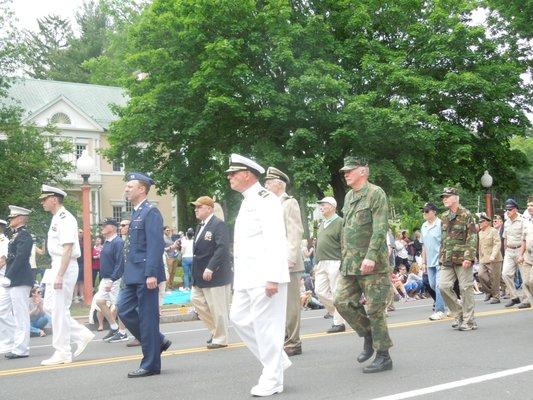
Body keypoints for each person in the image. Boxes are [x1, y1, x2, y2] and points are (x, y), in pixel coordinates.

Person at [226, 154, 290, 397]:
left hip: (265, 277)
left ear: (247, 174)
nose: (230, 177)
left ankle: (272, 378)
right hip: (246, 277)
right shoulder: (247, 200)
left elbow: (275, 239)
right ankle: (277, 359)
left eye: (233, 173)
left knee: (267, 328)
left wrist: (273, 277)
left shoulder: (266, 200)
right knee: (239, 318)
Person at [334, 156, 393, 373]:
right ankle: (368, 334)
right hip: (350, 263)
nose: (346, 174)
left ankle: (384, 355)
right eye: (345, 171)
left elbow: (380, 228)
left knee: (375, 309)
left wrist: (370, 256)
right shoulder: (349, 196)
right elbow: (348, 231)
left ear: (363, 171)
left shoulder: (375, 193)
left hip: (373, 264)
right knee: (341, 301)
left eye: (350, 170)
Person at [117, 173, 171, 378]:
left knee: (148, 319)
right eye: (126, 186)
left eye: (130, 186)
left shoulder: (151, 212)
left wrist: (151, 274)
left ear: (142, 189)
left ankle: (150, 364)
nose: (126, 189)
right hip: (132, 274)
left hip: (145, 274)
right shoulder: (137, 213)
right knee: (123, 308)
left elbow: (155, 246)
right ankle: (157, 340)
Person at [40, 185, 95, 365]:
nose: (42, 202)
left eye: (44, 199)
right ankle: (81, 334)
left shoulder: (65, 218)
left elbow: (67, 248)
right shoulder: (57, 218)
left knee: (57, 309)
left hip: (64, 265)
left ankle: (62, 351)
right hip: (57, 264)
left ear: (54, 199)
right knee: (50, 306)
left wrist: (60, 275)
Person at [265, 166, 305, 357]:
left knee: (290, 304)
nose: (265, 185)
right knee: (277, 304)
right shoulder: (269, 204)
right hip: (273, 262)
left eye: (268, 182)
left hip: (288, 262)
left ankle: (293, 341)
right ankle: (282, 337)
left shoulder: (289, 203)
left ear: (279, 184)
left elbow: (295, 232)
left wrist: (290, 258)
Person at [190, 196, 232, 349]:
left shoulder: (218, 224)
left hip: (215, 274)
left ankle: (220, 338)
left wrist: (211, 267)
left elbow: (222, 248)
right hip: (200, 274)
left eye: (199, 207)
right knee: (196, 301)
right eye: (195, 207)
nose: (196, 209)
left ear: (209, 208)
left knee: (217, 307)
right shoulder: (200, 225)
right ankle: (216, 331)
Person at [438, 187, 478, 331]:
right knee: (443, 286)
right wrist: (440, 257)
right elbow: (443, 240)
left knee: (465, 288)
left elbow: (472, 237)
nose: (444, 199)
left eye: (447, 196)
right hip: (447, 259)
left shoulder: (466, 214)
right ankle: (459, 313)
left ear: (456, 197)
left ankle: (469, 320)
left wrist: (469, 257)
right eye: (443, 197)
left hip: (462, 259)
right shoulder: (444, 216)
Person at [2, 206, 34, 359]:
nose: (10, 220)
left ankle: (21, 349)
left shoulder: (25, 235)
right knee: (2, 309)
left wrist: (9, 275)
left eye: (13, 218)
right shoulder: (16, 235)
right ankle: (10, 342)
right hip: (13, 279)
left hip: (20, 279)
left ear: (21, 218)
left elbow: (21, 257)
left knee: (21, 315)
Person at [315, 196, 346, 334]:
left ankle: (338, 323)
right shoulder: (322, 223)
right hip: (321, 262)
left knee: (335, 291)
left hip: (335, 260)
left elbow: (345, 243)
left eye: (324, 205)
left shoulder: (340, 222)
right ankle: (342, 313)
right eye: (320, 205)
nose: (321, 207)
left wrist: (343, 261)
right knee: (319, 291)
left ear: (333, 207)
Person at [95, 219, 127, 343]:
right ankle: (114, 327)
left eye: (104, 225)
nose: (102, 228)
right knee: (100, 301)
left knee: (120, 306)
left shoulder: (118, 242)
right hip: (106, 278)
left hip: (115, 279)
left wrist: (113, 279)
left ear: (113, 228)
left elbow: (120, 263)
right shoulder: (107, 242)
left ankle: (122, 332)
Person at [420, 202, 446, 320]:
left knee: (439, 285)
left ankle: (439, 310)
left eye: (427, 211)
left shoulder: (441, 224)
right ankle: (453, 303)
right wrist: (423, 262)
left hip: (441, 260)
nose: (424, 213)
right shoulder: (424, 226)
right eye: (423, 211)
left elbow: (445, 242)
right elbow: (424, 246)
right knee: (432, 284)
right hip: (430, 261)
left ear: (434, 212)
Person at [501, 199, 528, 308]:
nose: (508, 211)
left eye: (510, 209)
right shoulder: (507, 222)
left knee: (524, 276)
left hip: (521, 250)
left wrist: (521, 254)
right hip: (509, 251)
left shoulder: (523, 221)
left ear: (516, 209)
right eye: (507, 209)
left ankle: (526, 300)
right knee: (505, 274)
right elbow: (505, 237)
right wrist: (505, 250)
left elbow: (525, 239)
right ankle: (514, 297)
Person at [477, 212, 503, 304]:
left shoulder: (493, 231)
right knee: (480, 275)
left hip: (494, 259)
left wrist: (493, 255)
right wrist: (479, 258)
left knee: (494, 278)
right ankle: (489, 292)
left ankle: (496, 297)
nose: (479, 223)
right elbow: (480, 247)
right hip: (484, 259)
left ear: (487, 222)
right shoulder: (480, 233)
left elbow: (497, 243)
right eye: (479, 222)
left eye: (481, 222)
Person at [0, 219, 15, 354]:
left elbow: (2, 260)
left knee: (3, 311)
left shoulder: (4, 242)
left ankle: (10, 340)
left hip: (3, 280)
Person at [517, 197, 533, 308]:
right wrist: (520, 254)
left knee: (532, 281)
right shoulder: (527, 222)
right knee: (526, 282)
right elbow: (523, 240)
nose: (529, 208)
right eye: (528, 205)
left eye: (531, 205)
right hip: (528, 256)